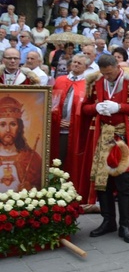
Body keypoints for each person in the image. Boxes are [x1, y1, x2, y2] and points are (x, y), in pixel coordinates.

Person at [82, 54, 129, 243]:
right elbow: (84, 108)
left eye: (110, 73)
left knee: (124, 182)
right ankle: (108, 221)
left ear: (117, 67)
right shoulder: (95, 81)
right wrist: (96, 107)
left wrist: (119, 107)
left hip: (124, 139)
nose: (107, 77)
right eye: (104, 74)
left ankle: (125, 225)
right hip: (103, 137)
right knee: (102, 182)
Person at [50, 53, 89, 192]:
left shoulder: (88, 84)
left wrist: (73, 122)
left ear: (86, 67)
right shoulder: (60, 80)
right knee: (56, 159)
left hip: (76, 130)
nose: (76, 64)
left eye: (79, 63)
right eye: (74, 62)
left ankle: (71, 189)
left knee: (72, 161)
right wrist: (57, 119)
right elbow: (53, 103)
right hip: (57, 127)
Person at [0, 96, 43, 192]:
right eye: (2, 124)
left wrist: (31, 188)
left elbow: (41, 187)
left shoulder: (31, 158)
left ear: (19, 128)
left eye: (13, 124)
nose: (8, 130)